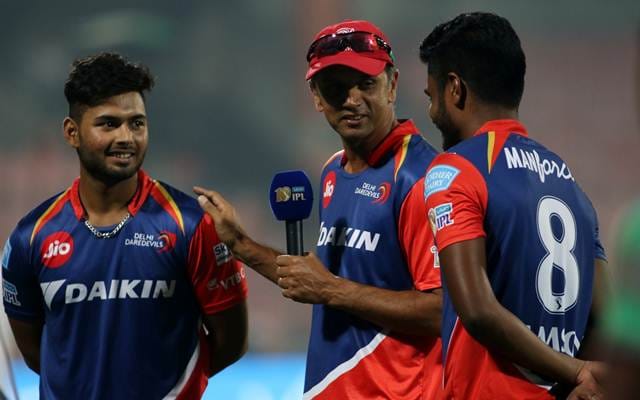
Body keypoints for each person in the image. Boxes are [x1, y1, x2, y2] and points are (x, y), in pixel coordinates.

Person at [195, 19, 442, 399]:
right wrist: (240, 244)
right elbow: (317, 281)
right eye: (336, 88)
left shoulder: (421, 177)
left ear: (392, 85)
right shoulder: (332, 172)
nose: (352, 100)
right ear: (316, 97)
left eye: (366, 84)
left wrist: (330, 288)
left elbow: (441, 311)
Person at [1, 52, 248, 399]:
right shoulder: (31, 237)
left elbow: (231, 341)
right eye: (108, 124)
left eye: (136, 123)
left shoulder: (192, 225)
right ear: (72, 132)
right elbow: (36, 351)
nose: (126, 138)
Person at [419, 12, 608, 399]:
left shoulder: (456, 169)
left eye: (431, 97)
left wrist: (576, 371)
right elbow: (602, 316)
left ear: (455, 89)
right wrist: (577, 377)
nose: (432, 112)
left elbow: (477, 309)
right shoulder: (569, 184)